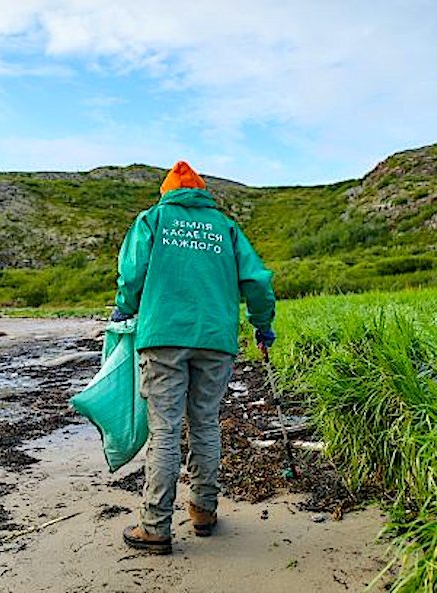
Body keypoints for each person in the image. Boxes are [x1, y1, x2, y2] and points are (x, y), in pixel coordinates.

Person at [111, 160, 276, 555]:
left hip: (164, 335)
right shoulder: (226, 227)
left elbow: (132, 270)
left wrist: (124, 306)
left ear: (168, 191)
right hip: (216, 338)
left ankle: (155, 526)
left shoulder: (154, 218)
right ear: (202, 192)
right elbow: (257, 279)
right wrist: (262, 324)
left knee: (165, 429)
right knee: (204, 422)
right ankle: (203, 510)